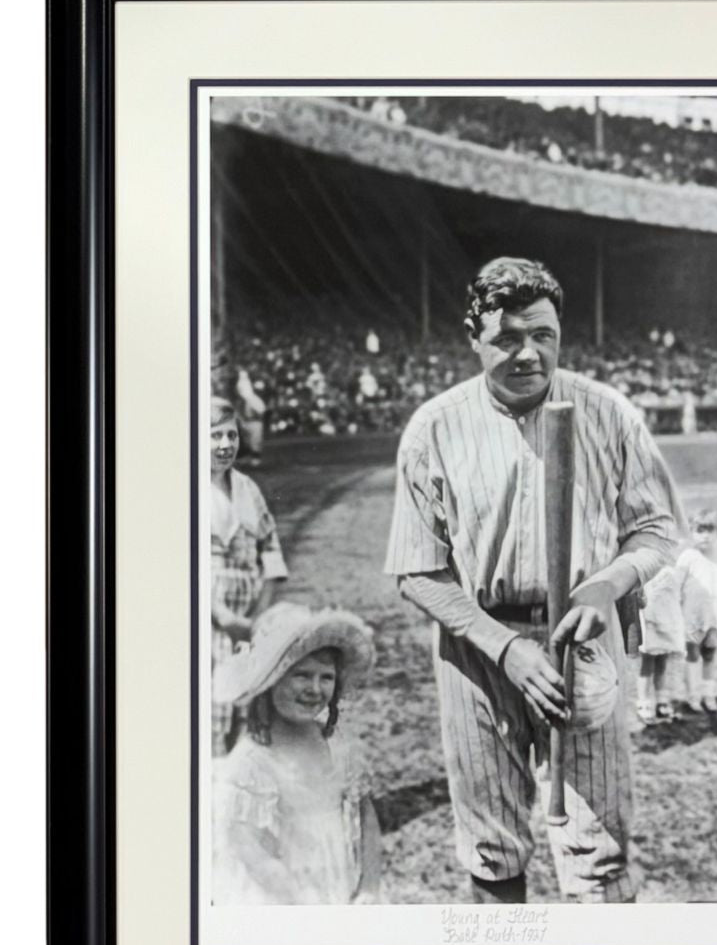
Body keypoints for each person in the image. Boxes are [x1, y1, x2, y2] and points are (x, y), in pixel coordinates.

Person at [384, 256, 684, 905]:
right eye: (508, 338)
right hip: (478, 647)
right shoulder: (435, 427)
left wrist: (608, 584)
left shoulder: (608, 412)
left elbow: (658, 529)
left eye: (543, 335)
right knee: (492, 847)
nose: (529, 353)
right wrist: (507, 649)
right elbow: (418, 569)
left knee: (600, 853)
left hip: (583, 642)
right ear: (474, 338)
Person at [212, 603, 380, 905]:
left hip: (339, 883)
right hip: (284, 897)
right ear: (269, 682)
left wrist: (369, 886)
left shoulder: (337, 744)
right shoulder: (253, 764)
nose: (314, 688)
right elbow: (248, 848)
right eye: (301, 675)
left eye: (326, 677)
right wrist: (302, 903)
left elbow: (366, 816)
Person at [210, 397, 287, 755]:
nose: (225, 445)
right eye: (215, 436)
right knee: (212, 706)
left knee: (248, 707)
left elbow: (271, 552)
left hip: (249, 616)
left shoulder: (247, 488)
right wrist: (222, 616)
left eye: (232, 435)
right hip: (206, 618)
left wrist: (259, 615)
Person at [677, 509, 717, 714]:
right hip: (693, 616)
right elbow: (676, 586)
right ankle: (693, 697)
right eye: (699, 530)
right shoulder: (688, 557)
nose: (705, 535)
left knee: (710, 654)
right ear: (692, 532)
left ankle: (709, 695)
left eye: (710, 530)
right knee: (692, 654)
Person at [636, 562, 685, 724]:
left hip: (668, 621)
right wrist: (650, 619)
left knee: (662, 663)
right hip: (651, 622)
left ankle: (661, 702)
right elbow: (645, 598)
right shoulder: (646, 570)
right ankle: (643, 703)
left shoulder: (671, 571)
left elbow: (675, 598)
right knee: (647, 664)